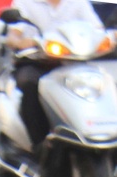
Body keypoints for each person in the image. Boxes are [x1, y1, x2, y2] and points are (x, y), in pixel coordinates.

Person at [6, 0, 106, 147]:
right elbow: (13, 35)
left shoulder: (78, 3)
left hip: (73, 64)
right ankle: (39, 143)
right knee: (30, 84)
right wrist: (20, 42)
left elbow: (97, 30)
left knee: (102, 84)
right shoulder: (25, 2)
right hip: (37, 63)